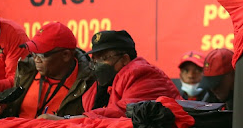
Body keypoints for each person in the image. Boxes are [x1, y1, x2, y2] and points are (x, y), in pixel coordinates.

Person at [43, 30, 180, 119]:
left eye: (103, 58)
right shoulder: (97, 85)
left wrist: (66, 120)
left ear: (125, 59)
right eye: (94, 58)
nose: (97, 63)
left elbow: (124, 113)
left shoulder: (143, 74)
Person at [0, 22, 94, 118]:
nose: (36, 59)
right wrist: (0, 108)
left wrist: (60, 122)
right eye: (33, 53)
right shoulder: (26, 71)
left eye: (42, 55)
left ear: (66, 55)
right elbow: (11, 115)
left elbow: (92, 124)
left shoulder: (90, 83)